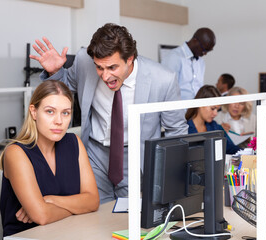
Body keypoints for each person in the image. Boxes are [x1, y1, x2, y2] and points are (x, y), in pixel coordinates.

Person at [30, 23, 188, 204]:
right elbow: (65, 89)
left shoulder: (163, 79)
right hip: (95, 154)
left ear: (130, 59)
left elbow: (176, 131)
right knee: (93, 214)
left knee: (127, 219)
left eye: (112, 68)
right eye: (99, 68)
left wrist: (170, 179)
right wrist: (56, 71)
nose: (105, 76)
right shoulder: (84, 61)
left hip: (135, 158)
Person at [0, 80, 99, 237]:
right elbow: (42, 216)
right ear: (33, 112)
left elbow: (92, 201)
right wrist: (77, 207)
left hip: (68, 232)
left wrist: (50, 200)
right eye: (50, 111)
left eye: (65, 113)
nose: (59, 121)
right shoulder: (16, 153)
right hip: (27, 236)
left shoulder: (74, 143)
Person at [161, 27, 216, 100]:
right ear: (195, 41)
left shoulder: (201, 62)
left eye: (208, 51)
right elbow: (167, 90)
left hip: (195, 109)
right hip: (179, 109)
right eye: (204, 50)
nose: (205, 54)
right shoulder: (174, 57)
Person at [185, 85, 240, 154]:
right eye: (213, 108)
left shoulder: (214, 126)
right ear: (200, 104)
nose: (215, 113)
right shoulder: (184, 129)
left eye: (217, 109)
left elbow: (231, 148)